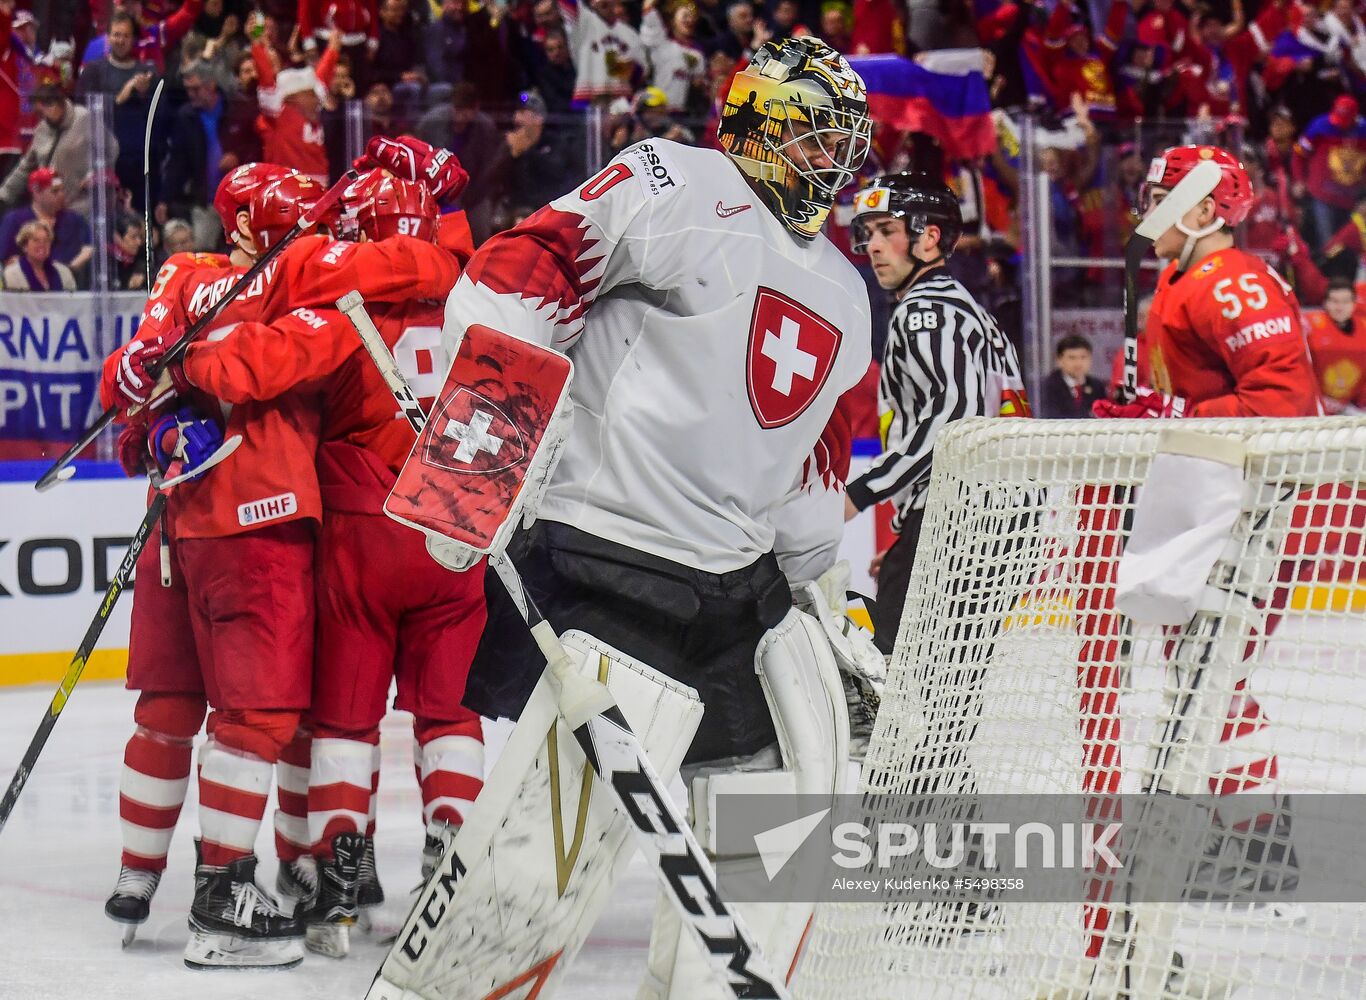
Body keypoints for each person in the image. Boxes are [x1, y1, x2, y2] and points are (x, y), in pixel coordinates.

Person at [440, 35, 872, 993]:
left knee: (775, 808)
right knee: (551, 840)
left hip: (739, 588)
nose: (831, 164)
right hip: (609, 557)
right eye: (814, 139)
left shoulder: (848, 288)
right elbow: (519, 275)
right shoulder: (675, 179)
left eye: (843, 143)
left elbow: (810, 460)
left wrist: (821, 597)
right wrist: (477, 459)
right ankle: (470, 981)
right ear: (756, 123)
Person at [841, 170, 1027, 653]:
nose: (873, 246)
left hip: (957, 521)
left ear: (929, 237)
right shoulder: (973, 312)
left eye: (887, 230)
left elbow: (953, 420)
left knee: (896, 674)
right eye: (869, 233)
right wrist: (908, 534)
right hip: (991, 522)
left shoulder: (926, 309)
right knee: (952, 687)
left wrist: (862, 492)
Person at [1095, 146, 1320, 419]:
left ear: (1204, 211)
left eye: (1161, 201)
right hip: (1213, 457)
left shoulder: (1234, 284)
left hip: (1255, 460)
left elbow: (1283, 405)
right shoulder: (1177, 275)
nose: (1149, 214)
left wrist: (1180, 416)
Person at [0, 77, 118, 219]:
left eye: (43, 112)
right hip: (50, 208)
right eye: (38, 114)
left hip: (82, 205)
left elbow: (112, 148)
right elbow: (25, 167)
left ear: (55, 104)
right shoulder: (42, 129)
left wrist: (95, 173)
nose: (42, 118)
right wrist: (4, 194)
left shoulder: (84, 118)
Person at [0, 168, 92, 275]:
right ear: (36, 192)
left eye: (62, 190)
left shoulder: (74, 219)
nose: (61, 195)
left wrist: (68, 271)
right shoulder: (15, 219)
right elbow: (7, 259)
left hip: (70, 283)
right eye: (55, 191)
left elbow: (89, 248)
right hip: (29, 284)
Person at [1306, 278, 1366, 414]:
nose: (1339, 307)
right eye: (1334, 301)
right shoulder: (1309, 326)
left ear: (1354, 304)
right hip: (1313, 407)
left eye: (1345, 302)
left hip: (1349, 409)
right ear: (1325, 303)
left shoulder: (1364, 328)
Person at [1041, 333, 1106, 418]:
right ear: (1059, 360)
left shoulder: (1097, 386)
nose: (1078, 363)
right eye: (1072, 358)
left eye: (1083, 357)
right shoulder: (1049, 386)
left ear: (1090, 359)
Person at [2, 219, 76, 290]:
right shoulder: (12, 274)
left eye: (46, 240)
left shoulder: (63, 272)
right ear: (25, 246)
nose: (42, 244)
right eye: (36, 240)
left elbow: (73, 301)